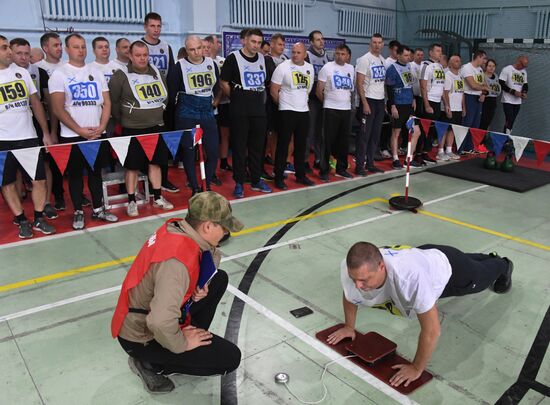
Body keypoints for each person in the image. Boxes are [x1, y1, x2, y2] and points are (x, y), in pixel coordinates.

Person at [328, 241, 513, 387]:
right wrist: (348, 327)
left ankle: (503, 264)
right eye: (354, 279)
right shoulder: (352, 268)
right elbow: (350, 295)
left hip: (450, 271)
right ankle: (483, 258)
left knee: (480, 277)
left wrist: (416, 368)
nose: (358, 285)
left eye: (364, 280)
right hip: (425, 254)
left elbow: (432, 331)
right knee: (469, 261)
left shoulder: (410, 279)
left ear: (381, 266)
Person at [111, 191, 243, 394]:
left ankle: (184, 339)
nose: (226, 234)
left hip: (148, 312)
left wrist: (194, 291)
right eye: (224, 228)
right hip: (140, 335)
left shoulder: (179, 228)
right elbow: (159, 321)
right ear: (207, 226)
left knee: (218, 279)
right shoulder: (176, 263)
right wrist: (182, 343)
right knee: (230, 358)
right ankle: (152, 364)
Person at [49, 33, 118, 229]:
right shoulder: (59, 74)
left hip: (97, 134)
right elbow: (57, 108)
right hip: (72, 135)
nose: (81, 50)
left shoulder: (95, 72)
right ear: (67, 49)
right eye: (76, 47)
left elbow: (107, 102)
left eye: (83, 47)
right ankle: (78, 211)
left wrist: (102, 127)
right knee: (75, 175)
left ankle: (98, 209)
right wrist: (79, 130)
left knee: (96, 172)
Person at [109, 40, 174, 217]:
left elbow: (165, 97)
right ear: (130, 56)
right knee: (132, 167)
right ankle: (131, 201)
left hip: (156, 126)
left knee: (156, 163)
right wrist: (125, 119)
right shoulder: (121, 75)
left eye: (145, 55)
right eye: (138, 55)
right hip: (132, 128)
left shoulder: (157, 73)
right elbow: (113, 102)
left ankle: (158, 196)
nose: (142, 58)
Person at [0, 34, 56, 238]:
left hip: (28, 137)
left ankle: (39, 217)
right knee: (7, 183)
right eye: (4, 48)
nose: (8, 51)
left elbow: (36, 103)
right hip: (3, 141)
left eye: (8, 47)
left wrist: (46, 133)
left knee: (38, 180)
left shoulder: (22, 73)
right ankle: (21, 219)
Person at [10, 37, 59, 219]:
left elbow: (50, 104)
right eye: (19, 53)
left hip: (38, 124)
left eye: (26, 54)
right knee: (13, 168)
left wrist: (50, 131)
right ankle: (19, 210)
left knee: (44, 165)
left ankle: (45, 203)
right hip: (13, 129)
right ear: (10, 53)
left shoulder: (39, 72)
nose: (23, 57)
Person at [220, 28, 272, 198]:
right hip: (239, 109)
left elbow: (266, 83)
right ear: (245, 41)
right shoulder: (233, 58)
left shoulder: (263, 60)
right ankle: (239, 182)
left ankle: (256, 179)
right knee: (240, 148)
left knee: (257, 147)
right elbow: (224, 82)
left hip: (258, 109)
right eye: (253, 41)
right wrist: (236, 97)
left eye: (259, 42)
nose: (256, 45)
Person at [167, 35, 221, 195]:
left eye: (199, 48)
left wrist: (214, 102)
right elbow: (172, 92)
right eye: (192, 49)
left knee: (213, 151)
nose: (197, 52)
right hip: (186, 113)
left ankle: (208, 184)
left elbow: (217, 87)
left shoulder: (212, 64)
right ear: (186, 50)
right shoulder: (179, 66)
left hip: (207, 112)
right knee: (189, 151)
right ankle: (195, 187)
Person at [142, 11, 178, 193]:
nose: (156, 30)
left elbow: (171, 74)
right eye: (152, 26)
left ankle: (163, 179)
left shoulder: (166, 47)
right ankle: (145, 182)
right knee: (146, 144)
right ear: (145, 27)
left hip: (164, 103)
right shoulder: (139, 46)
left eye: (158, 26)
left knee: (164, 144)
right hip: (146, 104)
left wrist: (170, 100)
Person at [270, 42, 314, 190]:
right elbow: (273, 90)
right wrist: (283, 105)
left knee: (301, 145)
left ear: (305, 54)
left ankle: (300, 175)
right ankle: (278, 176)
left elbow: (307, 90)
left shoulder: (309, 68)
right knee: (283, 145)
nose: (295, 55)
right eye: (293, 52)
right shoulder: (282, 67)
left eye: (298, 52)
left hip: (303, 112)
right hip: (287, 111)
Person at [316, 44, 354, 181]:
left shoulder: (351, 69)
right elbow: (319, 91)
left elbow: (351, 90)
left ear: (348, 56)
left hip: (346, 109)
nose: (339, 56)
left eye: (342, 54)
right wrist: (328, 103)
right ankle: (324, 170)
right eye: (337, 53)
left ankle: (341, 168)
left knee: (344, 141)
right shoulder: (327, 68)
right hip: (331, 109)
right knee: (327, 141)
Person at [385, 45, 422, 170]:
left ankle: (409, 158)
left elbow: (410, 84)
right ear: (398, 55)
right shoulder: (392, 69)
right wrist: (392, 106)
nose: (408, 58)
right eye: (405, 55)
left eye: (409, 55)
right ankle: (395, 158)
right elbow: (389, 89)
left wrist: (413, 98)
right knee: (396, 132)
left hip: (409, 104)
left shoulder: (409, 66)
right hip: (398, 104)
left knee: (416, 131)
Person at [355, 33, 386, 176]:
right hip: (368, 100)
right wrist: (365, 103)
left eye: (380, 42)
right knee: (364, 135)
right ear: (370, 44)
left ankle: (371, 163)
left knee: (375, 135)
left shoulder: (382, 60)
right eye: (374, 42)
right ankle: (359, 166)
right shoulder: (364, 60)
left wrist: (384, 102)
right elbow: (359, 83)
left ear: (382, 44)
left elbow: (382, 83)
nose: (377, 45)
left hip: (379, 101)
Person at [204, 34, 232, 172]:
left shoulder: (222, 61)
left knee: (225, 134)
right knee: (210, 139)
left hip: (225, 103)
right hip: (211, 105)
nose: (219, 45)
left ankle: (224, 160)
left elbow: (225, 82)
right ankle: (208, 168)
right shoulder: (203, 63)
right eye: (217, 42)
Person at [305, 30, 330, 172]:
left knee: (321, 132)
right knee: (309, 131)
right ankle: (304, 161)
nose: (321, 41)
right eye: (318, 39)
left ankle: (319, 159)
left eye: (322, 39)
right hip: (312, 99)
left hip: (324, 99)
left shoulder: (326, 56)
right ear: (311, 42)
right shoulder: (307, 56)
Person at [418, 43, 445, 165]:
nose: (440, 53)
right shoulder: (426, 65)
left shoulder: (439, 66)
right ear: (431, 52)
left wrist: (446, 104)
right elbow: (423, 86)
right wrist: (427, 104)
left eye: (440, 51)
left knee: (431, 130)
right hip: (428, 101)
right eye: (437, 51)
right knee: (423, 129)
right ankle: (418, 154)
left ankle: (425, 153)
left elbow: (441, 86)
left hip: (437, 101)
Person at [461, 50, 489, 145]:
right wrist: (483, 88)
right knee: (467, 123)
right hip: (469, 97)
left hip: (478, 98)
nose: (485, 61)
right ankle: (461, 147)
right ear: (478, 57)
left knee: (475, 124)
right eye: (484, 58)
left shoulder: (480, 70)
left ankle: (469, 147)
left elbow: (485, 84)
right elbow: (473, 85)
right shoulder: (467, 68)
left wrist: (483, 93)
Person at [440, 54, 464, 161]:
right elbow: (445, 92)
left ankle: (449, 150)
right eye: (456, 61)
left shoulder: (460, 76)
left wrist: (464, 107)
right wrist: (447, 106)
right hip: (450, 108)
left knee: (453, 130)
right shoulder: (447, 75)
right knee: (444, 129)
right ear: (450, 63)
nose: (458, 63)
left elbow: (462, 93)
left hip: (458, 108)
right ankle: (440, 151)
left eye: (459, 61)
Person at [499, 55, 528, 134]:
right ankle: (506, 137)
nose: (523, 67)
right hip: (508, 100)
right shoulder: (507, 69)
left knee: (512, 120)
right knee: (510, 118)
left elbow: (525, 84)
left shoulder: (523, 72)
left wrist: (524, 92)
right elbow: (501, 83)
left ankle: (506, 136)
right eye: (523, 65)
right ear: (518, 61)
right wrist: (513, 92)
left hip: (517, 101)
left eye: (525, 66)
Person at [480, 59, 500, 131]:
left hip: (493, 99)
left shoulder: (496, 76)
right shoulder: (482, 75)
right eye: (489, 66)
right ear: (486, 67)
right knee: (483, 120)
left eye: (493, 66)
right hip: (485, 100)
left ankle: (484, 138)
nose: (491, 68)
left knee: (489, 121)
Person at [411, 48, 424, 115]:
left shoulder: (425, 66)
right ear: (414, 55)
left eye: (421, 55)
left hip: (422, 95)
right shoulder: (410, 65)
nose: (420, 57)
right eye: (418, 55)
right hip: (413, 95)